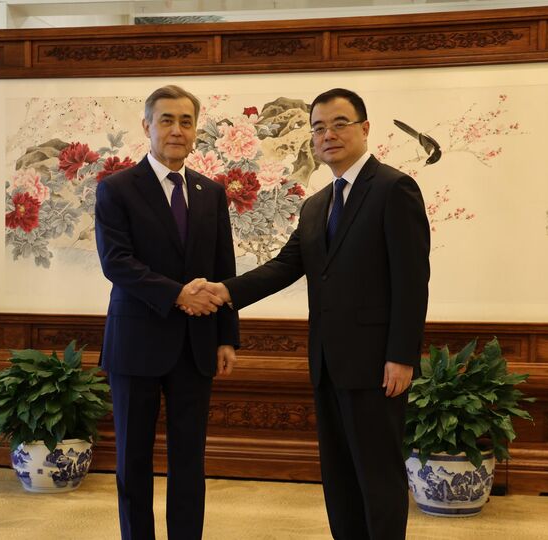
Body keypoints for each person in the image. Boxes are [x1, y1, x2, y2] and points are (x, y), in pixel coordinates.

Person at [190, 88, 430, 539]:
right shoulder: (316, 205)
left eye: (339, 124)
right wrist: (224, 291)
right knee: (339, 477)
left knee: (378, 475)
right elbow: (286, 266)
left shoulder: (394, 189)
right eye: (318, 128)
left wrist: (402, 355)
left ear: (364, 128)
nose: (328, 135)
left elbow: (412, 280)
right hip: (326, 363)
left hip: (377, 365)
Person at [94, 84, 239, 540]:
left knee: (189, 460)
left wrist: (227, 336)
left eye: (186, 121)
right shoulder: (116, 188)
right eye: (167, 120)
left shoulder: (211, 192)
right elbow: (117, 262)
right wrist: (178, 295)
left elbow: (224, 268)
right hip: (135, 344)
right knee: (133, 459)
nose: (177, 130)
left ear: (195, 131)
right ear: (147, 126)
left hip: (196, 345)